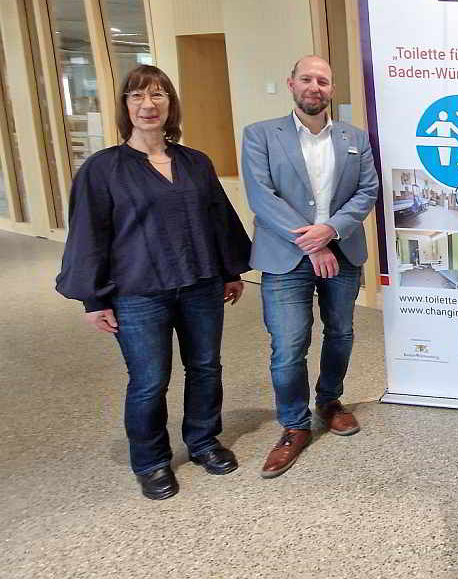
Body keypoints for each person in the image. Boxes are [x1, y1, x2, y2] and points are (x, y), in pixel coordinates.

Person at [56, 64, 251, 500]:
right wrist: (93, 299)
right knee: (149, 380)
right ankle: (151, 461)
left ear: (170, 104)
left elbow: (217, 219)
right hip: (138, 293)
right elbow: (89, 234)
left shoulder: (195, 162)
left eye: (158, 94)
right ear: (125, 105)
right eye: (138, 95)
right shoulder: (102, 169)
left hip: (200, 284)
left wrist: (230, 271)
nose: (149, 104)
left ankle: (203, 441)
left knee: (205, 367)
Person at [242, 55, 379, 479]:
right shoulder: (260, 135)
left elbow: (367, 190)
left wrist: (331, 231)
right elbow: (262, 197)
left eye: (322, 81)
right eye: (306, 79)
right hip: (285, 257)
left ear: (331, 89)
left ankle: (329, 401)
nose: (314, 87)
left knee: (340, 332)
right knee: (289, 344)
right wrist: (313, 243)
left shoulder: (355, 138)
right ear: (291, 83)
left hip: (342, 250)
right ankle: (294, 425)